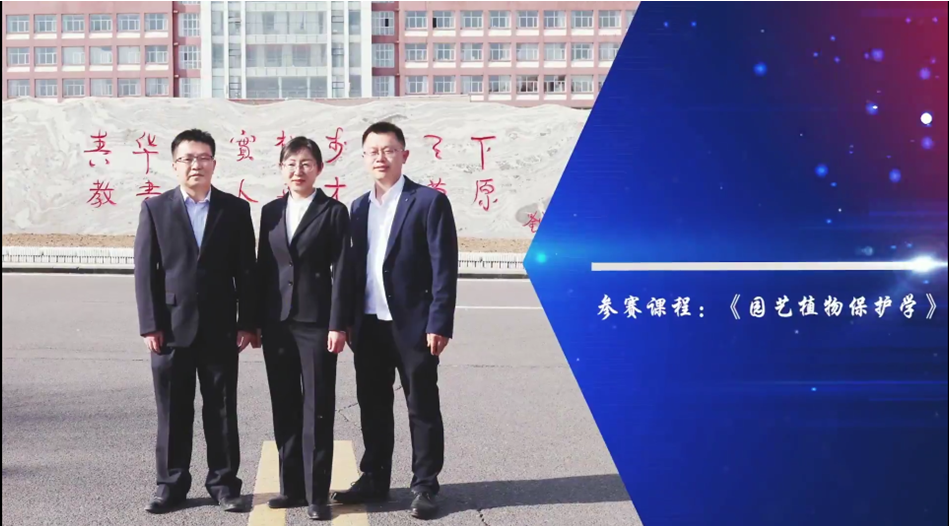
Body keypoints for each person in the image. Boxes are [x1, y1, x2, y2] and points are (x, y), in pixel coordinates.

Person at [331, 121, 458, 520]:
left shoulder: (428, 202)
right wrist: (347, 319)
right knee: (372, 405)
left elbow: (444, 267)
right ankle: (375, 478)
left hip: (414, 325)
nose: (381, 158)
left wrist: (439, 322)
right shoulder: (358, 207)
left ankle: (425, 485)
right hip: (368, 325)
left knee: (422, 406)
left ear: (404, 155)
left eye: (388, 150)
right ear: (363, 157)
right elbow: (352, 270)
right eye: (373, 151)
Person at [134, 129, 257, 515]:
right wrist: (150, 324)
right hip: (170, 329)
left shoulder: (235, 210)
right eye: (187, 158)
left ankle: (224, 483)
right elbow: (146, 271)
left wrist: (247, 322)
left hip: (221, 328)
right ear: (175, 165)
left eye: (203, 158)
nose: (195, 165)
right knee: (173, 410)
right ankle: (171, 484)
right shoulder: (155, 209)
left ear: (214, 163)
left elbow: (246, 271)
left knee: (221, 408)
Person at [255, 137, 351, 521]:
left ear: (319, 169)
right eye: (291, 163)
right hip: (277, 324)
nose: (298, 171)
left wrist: (338, 324)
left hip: (316, 324)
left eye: (306, 163)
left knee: (318, 409)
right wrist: (255, 322)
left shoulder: (333, 211)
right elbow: (264, 268)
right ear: (282, 168)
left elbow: (343, 271)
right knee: (284, 405)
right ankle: (291, 487)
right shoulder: (270, 211)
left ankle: (316, 494)